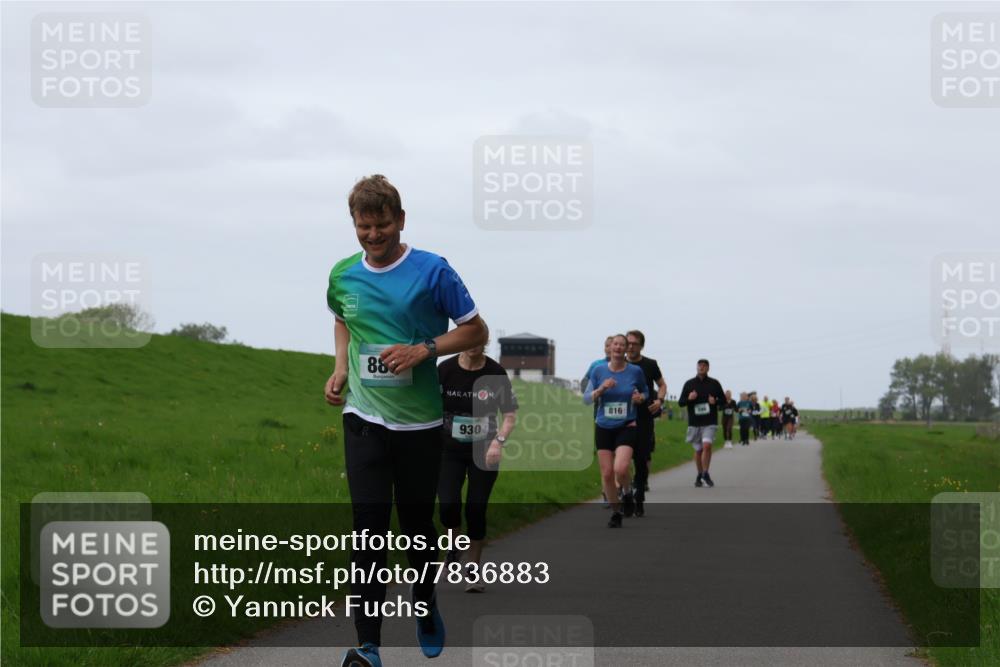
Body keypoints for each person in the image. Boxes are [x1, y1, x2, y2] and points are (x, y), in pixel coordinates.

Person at [325, 175, 488, 667]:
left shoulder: (432, 271)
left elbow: (476, 328)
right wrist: (339, 367)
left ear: (400, 220)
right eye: (363, 227)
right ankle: (369, 645)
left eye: (381, 225)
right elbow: (342, 318)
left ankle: (425, 600)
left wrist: (424, 349)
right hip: (364, 420)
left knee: (417, 528)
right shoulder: (342, 274)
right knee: (368, 530)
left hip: (418, 426)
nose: (373, 236)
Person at [437, 342, 517, 592]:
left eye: (478, 341)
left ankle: (473, 569)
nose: (473, 346)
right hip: (448, 449)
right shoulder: (446, 369)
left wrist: (498, 442)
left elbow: (510, 415)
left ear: (485, 343)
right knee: (448, 505)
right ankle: (454, 544)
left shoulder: (495, 373)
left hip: (485, 450)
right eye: (468, 340)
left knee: (476, 508)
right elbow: (430, 407)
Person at [583, 334, 647, 527]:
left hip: (627, 425)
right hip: (603, 426)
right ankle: (616, 512)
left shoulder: (635, 371)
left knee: (621, 468)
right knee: (608, 474)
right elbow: (586, 399)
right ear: (609, 348)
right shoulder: (598, 370)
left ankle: (627, 493)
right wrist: (602, 388)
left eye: (622, 345)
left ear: (626, 349)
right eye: (615, 344)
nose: (618, 347)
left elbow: (645, 391)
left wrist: (640, 398)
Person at [625, 330, 666, 517]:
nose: (630, 346)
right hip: (622, 418)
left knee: (641, 458)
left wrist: (659, 400)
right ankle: (625, 494)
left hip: (644, 417)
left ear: (641, 346)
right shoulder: (618, 364)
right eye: (628, 342)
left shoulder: (650, 364)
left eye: (634, 343)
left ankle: (639, 494)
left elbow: (662, 385)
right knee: (622, 457)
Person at [676, 359, 726, 487]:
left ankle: (705, 472)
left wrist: (715, 401)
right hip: (695, 422)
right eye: (700, 366)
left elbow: (724, 401)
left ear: (708, 368)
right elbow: (681, 402)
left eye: (704, 366)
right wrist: (689, 398)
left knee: (707, 446)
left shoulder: (714, 383)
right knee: (698, 451)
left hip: (710, 421)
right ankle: (700, 474)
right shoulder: (689, 384)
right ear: (696, 367)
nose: (702, 368)